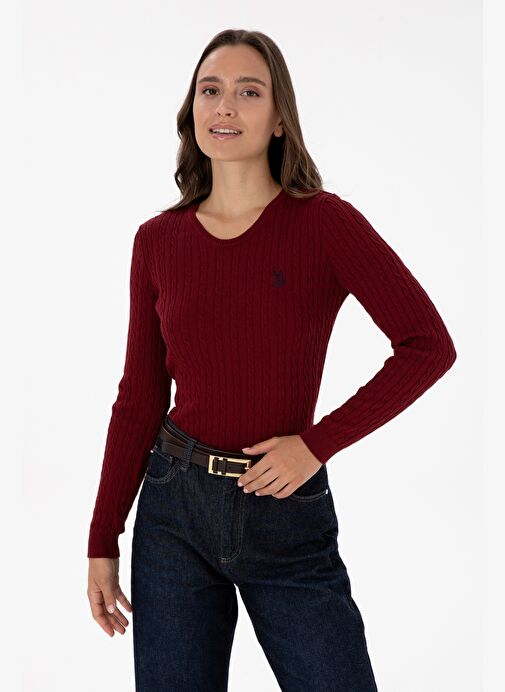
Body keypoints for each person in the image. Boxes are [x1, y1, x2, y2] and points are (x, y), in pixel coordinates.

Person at [86, 28, 457, 692]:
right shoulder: (157, 240)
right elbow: (139, 395)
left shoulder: (324, 223)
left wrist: (316, 445)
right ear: (192, 110)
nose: (225, 106)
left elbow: (427, 346)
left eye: (248, 92)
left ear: (279, 117)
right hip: (173, 511)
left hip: (284, 511)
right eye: (210, 90)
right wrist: (101, 538)